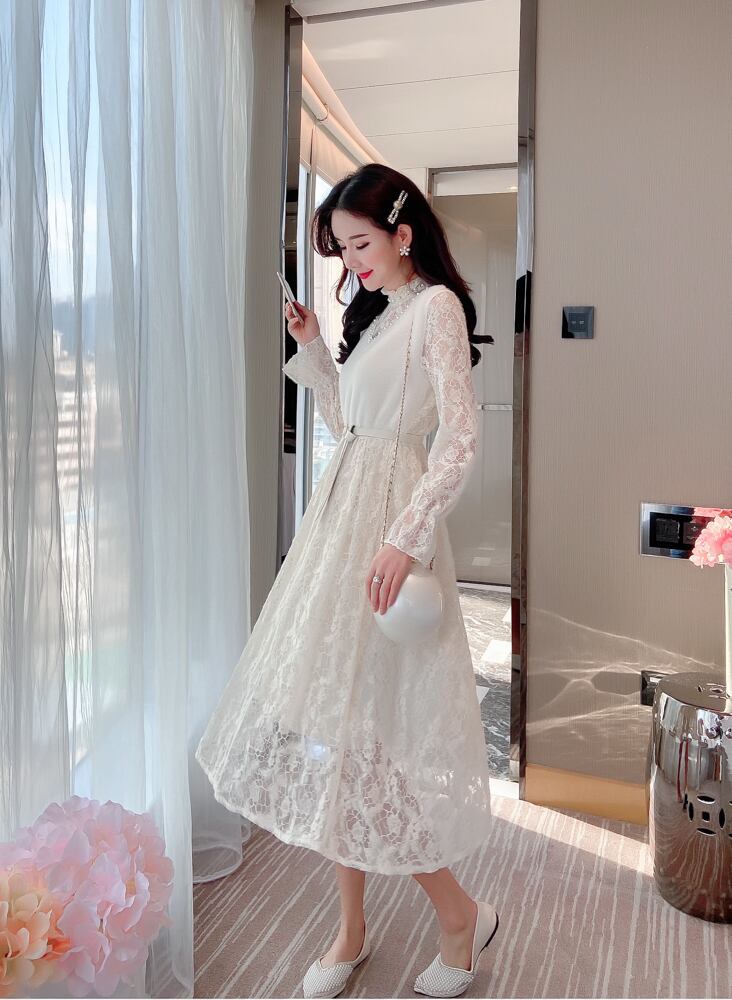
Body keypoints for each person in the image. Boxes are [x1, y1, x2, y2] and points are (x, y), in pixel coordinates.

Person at [195, 163, 499, 999]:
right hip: (340, 523)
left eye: (360, 244)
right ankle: (354, 927)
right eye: (341, 248)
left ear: (403, 233)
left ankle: (457, 915)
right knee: (337, 726)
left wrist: (406, 537)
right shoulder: (377, 315)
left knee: (369, 737)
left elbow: (459, 439)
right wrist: (310, 347)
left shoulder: (435, 308)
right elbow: (350, 427)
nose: (351, 262)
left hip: (388, 531)